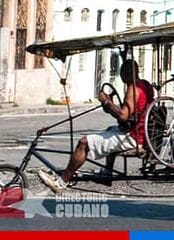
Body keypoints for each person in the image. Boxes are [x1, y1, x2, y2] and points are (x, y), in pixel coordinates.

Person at [37, 60, 152, 193]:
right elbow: (130, 113)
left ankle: (62, 182)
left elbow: (123, 116)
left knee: (83, 143)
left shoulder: (133, 89)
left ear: (124, 73)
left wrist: (107, 102)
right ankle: (107, 172)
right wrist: (110, 104)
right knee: (110, 130)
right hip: (139, 132)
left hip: (134, 137)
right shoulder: (145, 85)